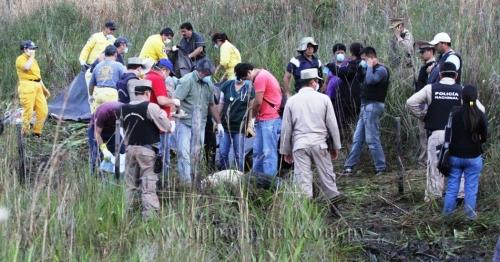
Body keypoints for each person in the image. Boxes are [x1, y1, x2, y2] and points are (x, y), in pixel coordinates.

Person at [406, 62, 484, 202]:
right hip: (457, 137)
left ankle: (434, 197)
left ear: (440, 74)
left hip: (436, 135)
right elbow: (480, 109)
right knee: (458, 169)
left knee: (435, 167)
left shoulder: (430, 88)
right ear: (456, 75)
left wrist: (424, 115)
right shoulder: (461, 90)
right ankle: (460, 197)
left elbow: (410, 102)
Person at [280, 68, 343, 203]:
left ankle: (307, 215)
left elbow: (286, 129)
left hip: (299, 145)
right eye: (316, 81)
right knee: (328, 178)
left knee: (303, 181)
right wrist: (336, 146)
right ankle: (335, 211)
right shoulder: (324, 99)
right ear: (313, 82)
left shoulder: (291, 101)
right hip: (320, 144)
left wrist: (286, 151)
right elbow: (333, 125)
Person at [121, 82, 170, 219]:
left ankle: (126, 214)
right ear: (148, 93)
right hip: (147, 151)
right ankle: (150, 218)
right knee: (148, 186)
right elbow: (166, 127)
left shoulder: (123, 108)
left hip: (129, 149)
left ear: (136, 93)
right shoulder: (151, 107)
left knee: (129, 185)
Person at [174, 59, 223, 186]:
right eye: (206, 74)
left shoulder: (208, 84)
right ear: (200, 71)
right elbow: (175, 100)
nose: (207, 76)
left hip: (200, 124)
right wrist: (177, 114)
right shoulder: (187, 81)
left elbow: (211, 104)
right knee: (183, 153)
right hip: (185, 122)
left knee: (196, 154)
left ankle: (196, 180)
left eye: (208, 75)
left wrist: (219, 123)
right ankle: (186, 183)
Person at [443, 85, 487, 220]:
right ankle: (470, 219)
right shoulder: (479, 114)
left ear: (461, 97)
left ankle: (447, 218)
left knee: (451, 188)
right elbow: (485, 136)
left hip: (454, 156)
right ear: (476, 97)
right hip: (474, 157)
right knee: (471, 190)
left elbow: (448, 133)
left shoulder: (454, 113)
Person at [343, 47, 390, 175]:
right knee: (357, 138)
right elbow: (361, 82)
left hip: (374, 106)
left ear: (371, 57)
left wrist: (369, 66)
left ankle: (381, 167)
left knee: (371, 138)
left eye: (364, 59)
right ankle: (349, 166)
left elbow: (370, 81)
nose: (362, 62)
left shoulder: (381, 70)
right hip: (365, 106)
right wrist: (360, 70)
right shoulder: (368, 69)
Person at [238, 63, 282, 177]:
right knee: (257, 151)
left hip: (269, 119)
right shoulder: (261, 75)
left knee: (268, 152)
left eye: (245, 78)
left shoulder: (260, 78)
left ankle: (269, 180)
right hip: (262, 119)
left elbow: (258, 101)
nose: (246, 81)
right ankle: (255, 178)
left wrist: (252, 119)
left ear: (249, 72)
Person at [145, 58, 180, 178]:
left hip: (148, 123)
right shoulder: (157, 78)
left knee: (151, 155)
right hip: (159, 124)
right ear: (164, 70)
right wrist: (173, 101)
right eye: (169, 73)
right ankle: (163, 182)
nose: (168, 76)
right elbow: (161, 100)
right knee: (163, 155)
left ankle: (151, 178)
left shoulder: (147, 76)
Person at [217, 63, 255, 171]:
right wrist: (217, 121)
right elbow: (221, 103)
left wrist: (250, 124)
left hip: (240, 127)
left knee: (239, 155)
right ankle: (223, 175)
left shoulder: (249, 88)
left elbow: (250, 107)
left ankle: (239, 177)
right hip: (225, 126)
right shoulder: (227, 85)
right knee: (223, 152)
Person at [15, 40, 50, 136]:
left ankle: (36, 132)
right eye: (31, 49)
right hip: (27, 86)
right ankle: (24, 133)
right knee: (28, 111)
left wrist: (45, 89)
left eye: (34, 49)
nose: (33, 51)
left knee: (43, 111)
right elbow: (26, 67)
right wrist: (32, 56)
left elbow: (38, 76)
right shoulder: (20, 59)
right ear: (25, 49)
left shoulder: (33, 60)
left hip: (38, 86)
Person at [414, 41, 437, 166]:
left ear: (431, 51)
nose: (421, 54)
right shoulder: (425, 67)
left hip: (429, 104)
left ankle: (426, 159)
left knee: (426, 132)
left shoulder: (436, 67)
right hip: (422, 103)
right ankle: (424, 158)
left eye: (423, 52)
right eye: (420, 52)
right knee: (422, 133)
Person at [88, 101, 124, 175]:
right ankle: (95, 177)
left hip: (113, 130)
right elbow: (97, 134)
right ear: (115, 114)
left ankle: (116, 176)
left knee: (122, 150)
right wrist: (105, 150)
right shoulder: (103, 112)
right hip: (96, 130)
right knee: (97, 155)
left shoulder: (127, 110)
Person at [335, 42, 364, 129]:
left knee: (348, 122)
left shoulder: (352, 65)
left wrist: (336, 67)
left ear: (351, 52)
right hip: (362, 98)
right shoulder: (364, 64)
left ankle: (347, 138)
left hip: (350, 99)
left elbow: (343, 73)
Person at [88, 45, 125, 112]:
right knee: (111, 117)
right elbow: (124, 79)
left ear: (105, 54)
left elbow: (91, 84)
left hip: (99, 93)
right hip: (111, 94)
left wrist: (90, 95)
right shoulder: (119, 66)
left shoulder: (97, 66)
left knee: (98, 117)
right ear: (115, 54)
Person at [323, 43, 349, 138]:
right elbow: (326, 80)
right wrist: (323, 91)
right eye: (338, 52)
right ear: (334, 54)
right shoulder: (330, 65)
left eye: (342, 52)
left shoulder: (348, 64)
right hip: (331, 95)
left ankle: (343, 136)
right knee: (331, 116)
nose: (340, 54)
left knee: (342, 116)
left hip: (342, 96)